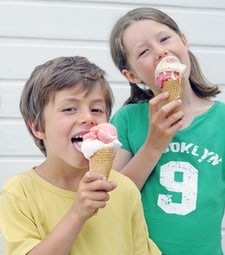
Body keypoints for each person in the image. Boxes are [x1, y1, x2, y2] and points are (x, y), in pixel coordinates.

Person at [109, 7, 225, 255]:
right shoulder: (126, 121)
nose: (160, 51)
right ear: (131, 75)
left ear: (184, 41)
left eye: (165, 39)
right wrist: (154, 144)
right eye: (144, 51)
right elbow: (113, 199)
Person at [0, 56, 161, 255]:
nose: (88, 118)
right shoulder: (19, 192)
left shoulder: (124, 189)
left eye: (96, 109)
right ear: (37, 127)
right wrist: (78, 213)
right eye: (69, 109)